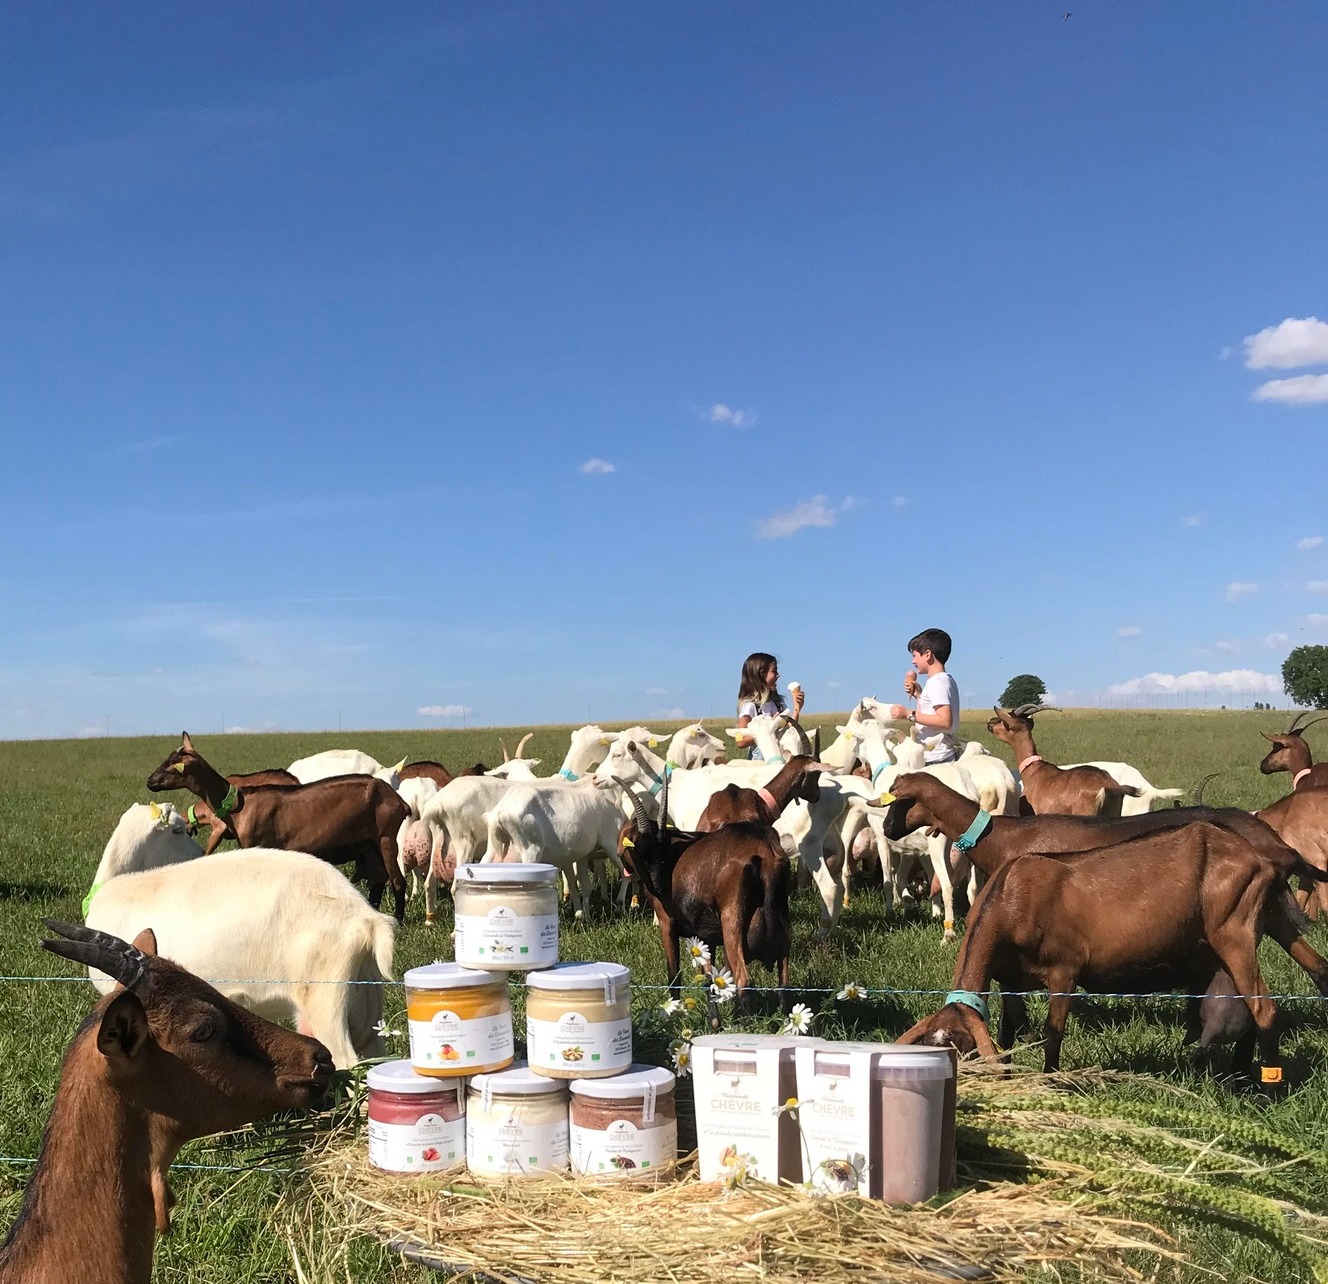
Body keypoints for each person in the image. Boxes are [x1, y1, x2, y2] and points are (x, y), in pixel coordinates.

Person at [889, 628, 959, 764]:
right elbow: (935, 712)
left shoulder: (936, 683)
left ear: (927, 654)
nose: (913, 661)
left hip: (936, 758)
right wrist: (919, 696)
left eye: (915, 655)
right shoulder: (945, 680)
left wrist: (908, 714)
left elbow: (945, 721)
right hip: (942, 755)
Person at [734, 651, 805, 759]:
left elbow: (788, 730)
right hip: (761, 765)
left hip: (779, 759)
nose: (778, 675)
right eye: (774, 671)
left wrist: (797, 708)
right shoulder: (750, 706)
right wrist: (767, 731)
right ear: (760, 674)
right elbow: (740, 740)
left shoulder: (774, 703)